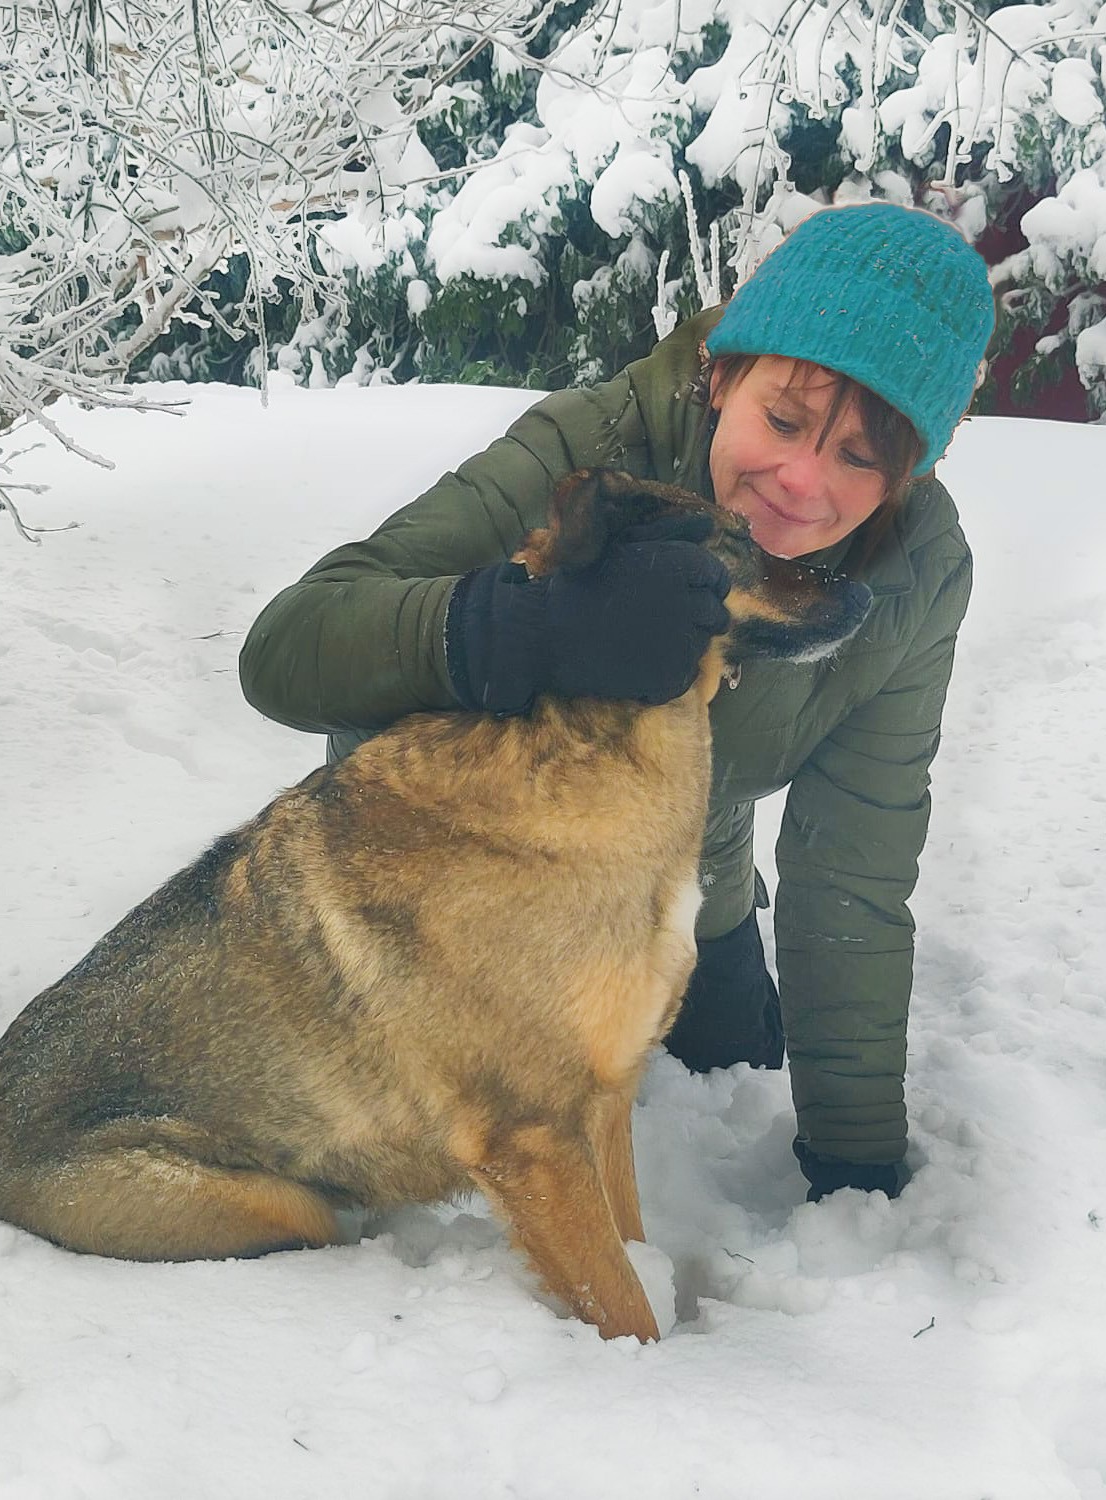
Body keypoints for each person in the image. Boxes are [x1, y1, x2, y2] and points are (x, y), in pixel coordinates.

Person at [237, 201, 995, 1202]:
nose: (800, 481)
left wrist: (854, 1161)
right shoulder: (594, 447)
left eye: (860, 458)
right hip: (456, 877)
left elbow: (852, 874)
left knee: (731, 1056)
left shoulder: (915, 578)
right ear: (722, 375)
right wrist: (528, 627)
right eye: (783, 420)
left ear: (909, 475)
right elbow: (288, 647)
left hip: (677, 883)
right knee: (439, 1133)